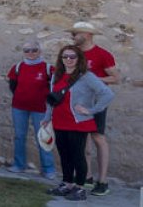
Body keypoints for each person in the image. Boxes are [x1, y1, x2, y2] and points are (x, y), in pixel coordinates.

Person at [45, 45, 114, 202]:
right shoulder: (57, 75)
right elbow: (51, 99)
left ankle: (80, 188)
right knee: (64, 155)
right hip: (60, 121)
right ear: (61, 59)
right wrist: (47, 117)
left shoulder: (87, 76)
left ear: (79, 59)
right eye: (65, 57)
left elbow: (107, 94)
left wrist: (91, 110)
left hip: (78, 122)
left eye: (72, 57)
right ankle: (67, 184)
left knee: (78, 156)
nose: (68, 60)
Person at [69, 21, 118, 196]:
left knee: (98, 138)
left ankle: (102, 181)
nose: (73, 37)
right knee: (81, 139)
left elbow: (115, 78)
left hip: (95, 103)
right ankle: (86, 177)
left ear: (87, 35)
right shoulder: (72, 54)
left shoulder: (102, 54)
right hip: (77, 103)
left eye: (76, 33)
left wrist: (92, 79)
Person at [5, 40, 56, 179]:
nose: (30, 53)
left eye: (34, 50)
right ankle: (19, 164)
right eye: (27, 50)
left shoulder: (48, 68)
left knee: (43, 137)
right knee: (19, 136)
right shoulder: (18, 67)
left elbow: (55, 87)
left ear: (39, 51)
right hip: (19, 108)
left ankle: (48, 169)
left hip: (41, 109)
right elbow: (13, 86)